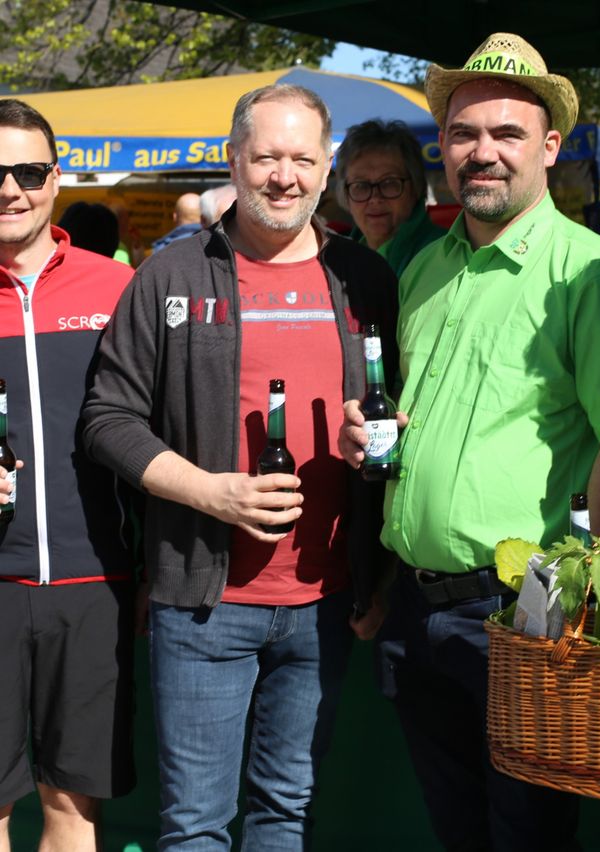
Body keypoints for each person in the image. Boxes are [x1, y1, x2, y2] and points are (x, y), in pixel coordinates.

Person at [339, 32, 600, 851]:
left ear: (550, 147)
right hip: (416, 608)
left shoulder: (595, 273)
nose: (482, 152)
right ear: (442, 148)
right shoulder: (425, 271)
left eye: (507, 133)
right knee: (459, 834)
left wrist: (591, 606)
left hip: (525, 613)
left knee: (527, 839)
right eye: (463, 133)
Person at [81, 83, 398, 850]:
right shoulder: (171, 276)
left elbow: (402, 413)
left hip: (325, 600)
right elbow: (107, 419)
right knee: (195, 826)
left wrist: (380, 445)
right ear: (233, 159)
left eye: (302, 159)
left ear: (326, 167)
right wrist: (211, 492)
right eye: (266, 158)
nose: (284, 177)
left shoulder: (365, 279)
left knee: (285, 814)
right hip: (203, 602)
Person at [0, 99, 136, 851]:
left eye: (28, 171)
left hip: (93, 582)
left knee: (73, 809)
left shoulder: (116, 286)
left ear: (56, 179)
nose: (10, 189)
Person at [335, 119, 445, 277]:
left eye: (389, 183)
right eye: (361, 186)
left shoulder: (443, 253)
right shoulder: (334, 258)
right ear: (345, 194)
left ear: (415, 187)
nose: (375, 198)